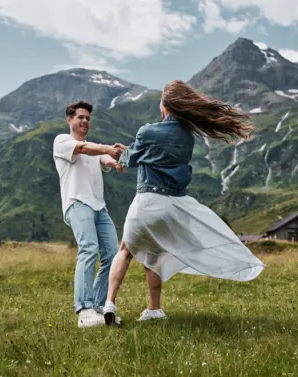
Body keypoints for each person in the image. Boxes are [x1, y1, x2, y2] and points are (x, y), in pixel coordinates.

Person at [102, 80, 265, 325]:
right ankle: (153, 309)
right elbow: (156, 156)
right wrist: (136, 151)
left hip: (145, 202)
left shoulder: (147, 131)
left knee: (125, 252)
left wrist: (123, 152)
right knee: (154, 255)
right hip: (171, 208)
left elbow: (130, 160)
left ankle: (109, 304)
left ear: (165, 105)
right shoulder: (188, 138)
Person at [53, 100, 124, 328]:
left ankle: (100, 308)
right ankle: (84, 310)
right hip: (77, 203)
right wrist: (107, 149)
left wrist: (115, 161)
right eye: (80, 117)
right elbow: (85, 149)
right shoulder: (62, 142)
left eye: (87, 119)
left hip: (98, 207)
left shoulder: (94, 148)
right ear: (69, 119)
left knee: (113, 254)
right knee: (89, 249)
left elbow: (103, 158)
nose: (85, 121)